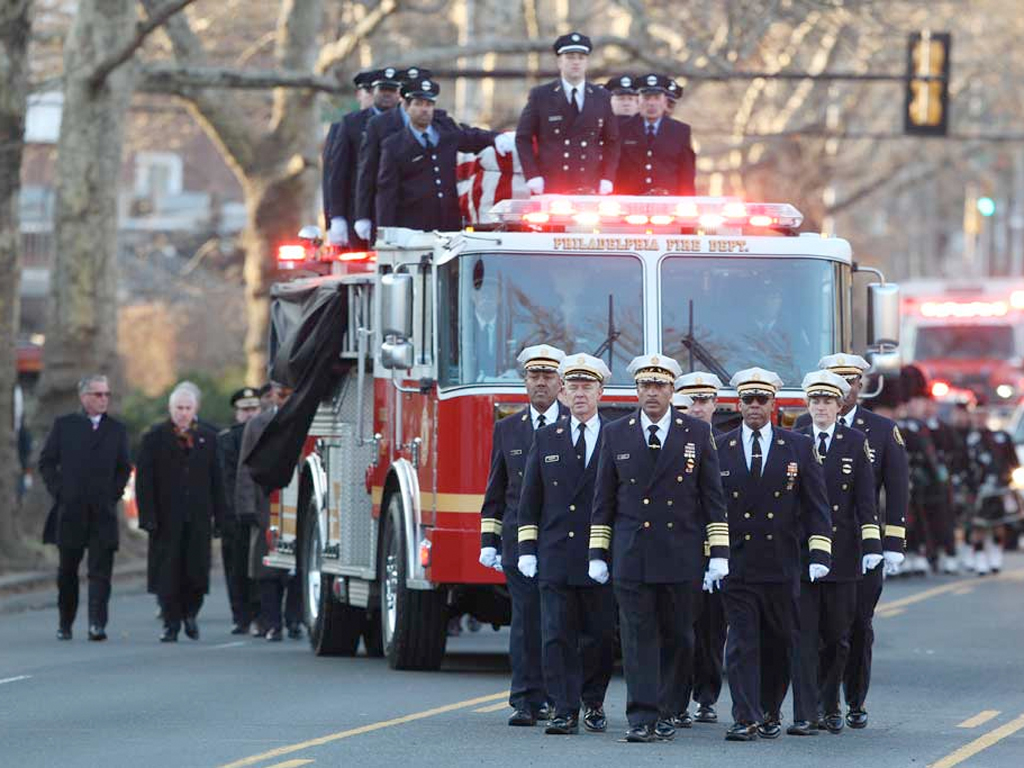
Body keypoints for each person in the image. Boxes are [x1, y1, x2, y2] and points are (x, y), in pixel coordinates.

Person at [588, 353, 728, 743]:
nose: (652, 392)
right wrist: (598, 553)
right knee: (636, 638)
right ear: (636, 390)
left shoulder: (696, 434)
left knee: (680, 637)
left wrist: (718, 554)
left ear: (672, 391)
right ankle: (641, 716)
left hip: (681, 555)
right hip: (632, 554)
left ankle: (669, 709)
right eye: (646, 386)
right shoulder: (616, 433)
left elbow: (711, 497)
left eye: (660, 385)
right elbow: (605, 500)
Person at [717, 367, 830, 742]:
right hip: (738, 561)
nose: (753, 406)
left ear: (773, 404)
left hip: (782, 562)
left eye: (761, 399)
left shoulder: (797, 446)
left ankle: (769, 708)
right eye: (747, 399)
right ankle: (744, 716)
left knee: (778, 642)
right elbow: (710, 506)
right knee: (741, 642)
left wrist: (818, 552)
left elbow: (816, 504)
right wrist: (711, 554)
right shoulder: (722, 446)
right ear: (738, 404)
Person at [517, 353, 616, 735]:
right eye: (572, 386)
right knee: (556, 635)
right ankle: (563, 707)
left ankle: (593, 703)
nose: (578, 394)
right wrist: (527, 549)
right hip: (556, 553)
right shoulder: (546, 437)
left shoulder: (617, 435)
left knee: (599, 637)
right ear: (562, 391)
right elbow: (530, 501)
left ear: (600, 392)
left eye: (586, 387)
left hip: (599, 555)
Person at [479, 345, 569, 726]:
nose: (541, 383)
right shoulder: (507, 428)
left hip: (563, 541)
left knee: (559, 623)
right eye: (534, 376)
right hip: (519, 542)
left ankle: (558, 696)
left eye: (548, 377)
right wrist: (489, 541)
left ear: (560, 383)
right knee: (526, 620)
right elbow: (495, 491)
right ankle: (524, 699)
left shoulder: (577, 425)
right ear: (525, 382)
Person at [789, 371, 882, 736]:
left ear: (839, 405)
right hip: (802, 551)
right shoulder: (793, 440)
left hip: (843, 553)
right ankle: (805, 712)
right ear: (808, 405)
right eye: (815, 401)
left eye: (828, 401)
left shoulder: (855, 441)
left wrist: (872, 546)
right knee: (803, 635)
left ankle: (831, 704)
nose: (821, 408)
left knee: (837, 636)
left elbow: (865, 499)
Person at [38, 374, 131, 641]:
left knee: (101, 571)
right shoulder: (65, 426)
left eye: (106, 394)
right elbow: (47, 462)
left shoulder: (116, 429)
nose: (103, 399)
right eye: (97, 394)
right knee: (68, 570)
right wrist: (60, 491)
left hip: (103, 511)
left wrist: (114, 492)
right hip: (71, 510)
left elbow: (124, 467)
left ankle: (97, 624)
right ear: (84, 397)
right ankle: (65, 622)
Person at [136, 384, 226, 642]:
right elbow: (145, 482)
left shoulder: (209, 439)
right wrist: (148, 517)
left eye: (187, 408)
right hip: (166, 519)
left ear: (195, 409)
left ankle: (191, 614)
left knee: (196, 571)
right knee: (168, 573)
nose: (183, 414)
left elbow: (217, 481)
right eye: (178, 408)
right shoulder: (154, 438)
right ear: (170, 408)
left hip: (198, 517)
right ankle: (170, 622)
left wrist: (220, 517)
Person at [376, 77, 511, 232]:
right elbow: (387, 192)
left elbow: (470, 137)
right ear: (406, 107)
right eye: (418, 104)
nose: (424, 109)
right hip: (412, 227)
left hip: (447, 225)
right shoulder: (394, 145)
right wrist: (385, 230)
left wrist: (495, 138)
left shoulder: (446, 135)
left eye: (429, 104)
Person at [673, 371, 727, 725]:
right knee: (679, 627)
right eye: (691, 400)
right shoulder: (670, 443)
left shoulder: (731, 444)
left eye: (704, 400)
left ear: (715, 404)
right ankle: (676, 698)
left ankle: (706, 696)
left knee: (713, 628)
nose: (697, 407)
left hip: (718, 550)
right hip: (681, 549)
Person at [353, 66, 454, 242]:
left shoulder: (438, 119)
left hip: (435, 214)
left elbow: (461, 135)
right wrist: (363, 215)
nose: (424, 106)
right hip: (397, 208)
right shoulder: (379, 124)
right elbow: (368, 171)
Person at [515, 32, 620, 196]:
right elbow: (523, 137)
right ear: (559, 62)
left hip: (589, 183)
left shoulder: (602, 97)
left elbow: (612, 141)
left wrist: (607, 177)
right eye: (570, 57)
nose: (576, 62)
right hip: (551, 183)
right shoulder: (541, 95)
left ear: (587, 62)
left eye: (581, 57)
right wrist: (533, 175)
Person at [237, 382, 302, 641]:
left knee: (296, 568)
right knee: (267, 570)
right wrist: (246, 507)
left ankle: (294, 619)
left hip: (297, 502)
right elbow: (245, 468)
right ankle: (271, 622)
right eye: (282, 394)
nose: (285, 399)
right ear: (274, 395)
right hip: (267, 505)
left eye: (290, 394)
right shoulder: (257, 424)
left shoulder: (304, 421)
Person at [323, 68, 398, 248]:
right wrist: (337, 216)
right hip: (358, 209)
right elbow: (337, 173)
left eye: (392, 90)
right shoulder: (351, 123)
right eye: (381, 90)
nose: (386, 95)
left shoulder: (405, 122)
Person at [217, 387, 262, 634]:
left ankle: (258, 615)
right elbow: (224, 478)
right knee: (235, 568)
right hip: (232, 515)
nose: (249, 414)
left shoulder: (265, 435)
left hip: (258, 512)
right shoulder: (226, 439)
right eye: (245, 410)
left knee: (256, 568)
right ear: (237, 413)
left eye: (254, 409)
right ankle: (240, 616)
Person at [614, 74, 696, 196]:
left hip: (668, 200)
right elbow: (614, 167)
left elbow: (686, 172)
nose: (651, 103)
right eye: (646, 98)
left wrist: (687, 201)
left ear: (665, 101)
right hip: (630, 200)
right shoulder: (622, 129)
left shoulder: (680, 131)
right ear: (638, 101)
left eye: (657, 98)